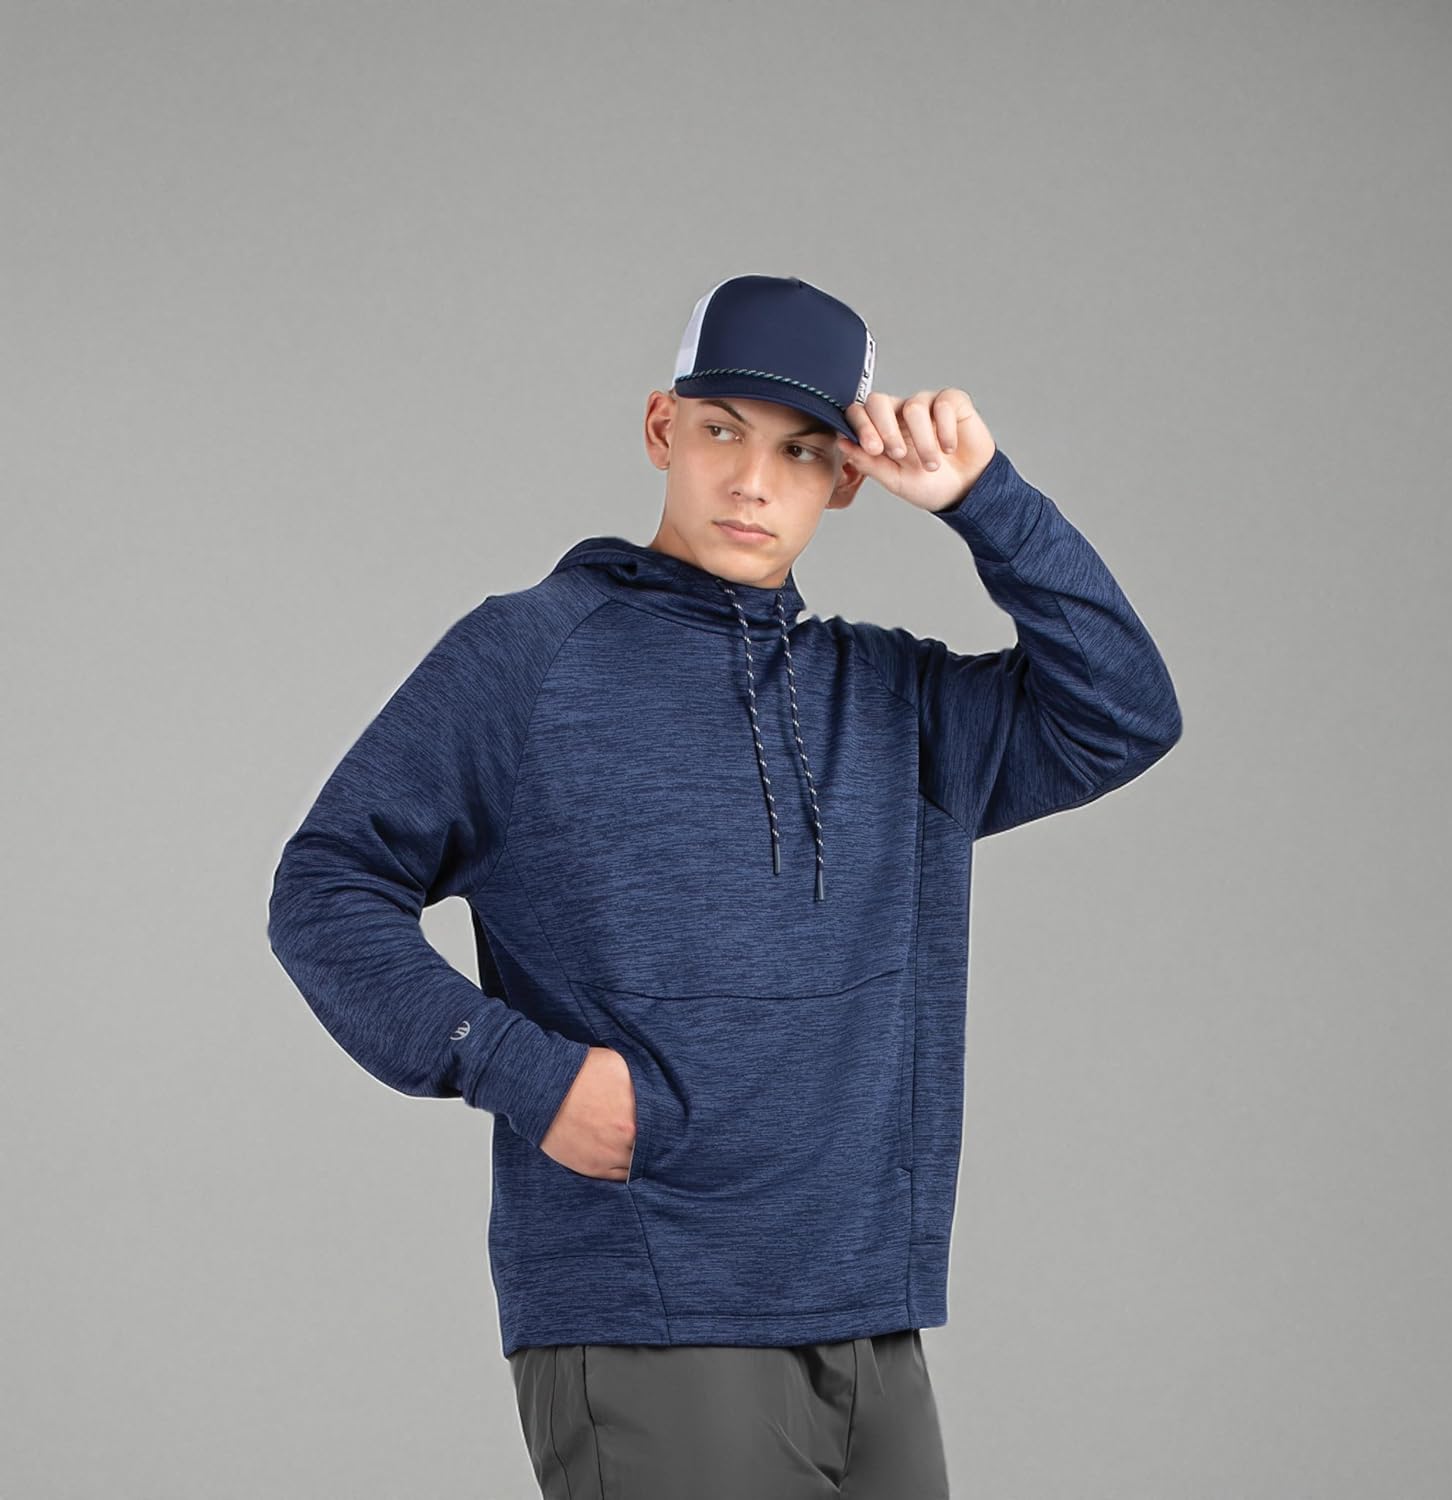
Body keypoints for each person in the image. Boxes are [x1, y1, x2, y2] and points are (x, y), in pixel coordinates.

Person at [266, 273, 1184, 1498]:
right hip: (654, 1312)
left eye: (801, 451)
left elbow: (1124, 713)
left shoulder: (893, 703)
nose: (753, 482)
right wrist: (521, 1071)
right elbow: (324, 886)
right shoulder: (530, 656)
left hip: (870, 1316)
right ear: (663, 428)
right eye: (721, 431)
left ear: (846, 479)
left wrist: (987, 500)